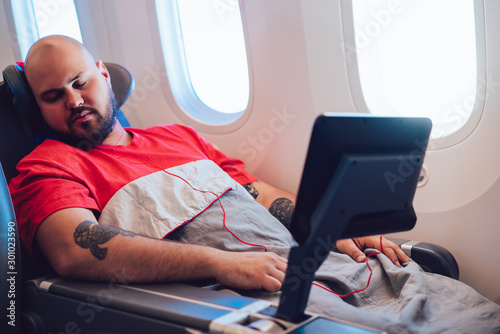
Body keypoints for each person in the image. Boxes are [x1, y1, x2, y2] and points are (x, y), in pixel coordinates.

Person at [8, 36, 500, 333]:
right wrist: (222, 263)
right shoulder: (46, 165)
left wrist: (333, 223)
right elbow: (75, 250)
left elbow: (254, 193)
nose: (73, 100)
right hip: (243, 290)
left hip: (312, 260)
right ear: (37, 108)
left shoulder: (175, 135)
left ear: (103, 74)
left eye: (79, 82)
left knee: (460, 309)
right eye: (53, 96)